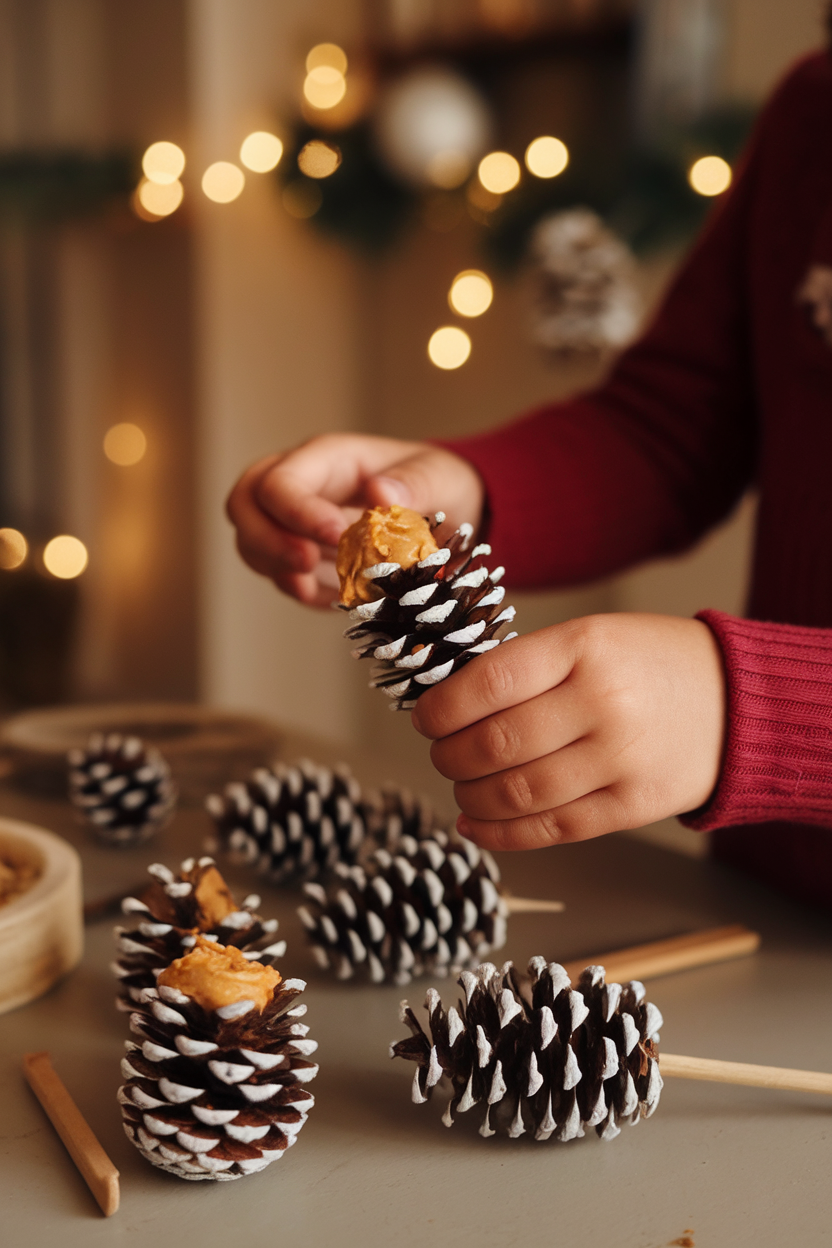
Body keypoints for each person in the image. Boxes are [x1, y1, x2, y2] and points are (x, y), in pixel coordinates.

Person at [227, 42, 832, 908]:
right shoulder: (816, 107)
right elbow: (673, 430)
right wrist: (463, 491)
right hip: (771, 909)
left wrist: (758, 714)